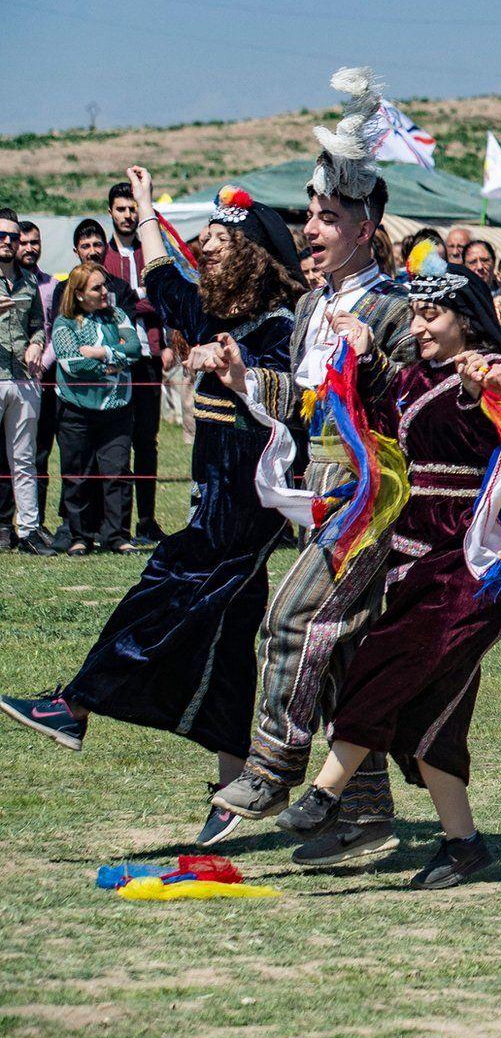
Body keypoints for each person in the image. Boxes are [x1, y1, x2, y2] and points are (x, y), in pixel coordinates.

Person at [0, 169, 301, 845]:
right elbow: (164, 277)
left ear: (254, 254)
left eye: (222, 241)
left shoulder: (281, 326)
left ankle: (74, 703)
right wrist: (144, 211)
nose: (209, 248)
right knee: (227, 636)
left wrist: (239, 374)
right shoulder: (211, 311)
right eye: (209, 239)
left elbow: (299, 400)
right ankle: (238, 784)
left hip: (249, 504)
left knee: (167, 582)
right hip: (212, 495)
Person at [208, 69, 422, 872]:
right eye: (310, 216)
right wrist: (240, 377)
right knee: (335, 651)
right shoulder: (308, 308)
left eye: (328, 218)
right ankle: (364, 816)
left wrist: (377, 368)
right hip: (320, 490)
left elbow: (422, 401)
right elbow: (302, 405)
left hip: (377, 496)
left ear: (367, 229)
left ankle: (271, 768)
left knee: (294, 621)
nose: (310, 229)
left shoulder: (395, 309)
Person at [271, 264, 501, 890]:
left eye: (430, 316)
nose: (417, 327)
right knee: (432, 709)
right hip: (412, 550)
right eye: (413, 315)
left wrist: (493, 383)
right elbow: (381, 400)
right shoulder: (415, 372)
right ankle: (463, 845)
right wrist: (361, 352)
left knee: (386, 660)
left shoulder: (482, 372)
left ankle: (326, 791)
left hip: (469, 560)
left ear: (464, 319)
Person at [51, 267, 144, 556]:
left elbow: (134, 349)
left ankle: (117, 535)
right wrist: (113, 364)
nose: (105, 292)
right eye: (96, 288)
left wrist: (101, 353)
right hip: (76, 410)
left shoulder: (117, 316)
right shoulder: (64, 324)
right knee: (78, 473)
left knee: (116, 471)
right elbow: (71, 364)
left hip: (116, 409)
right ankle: (81, 535)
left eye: (104, 286)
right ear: (79, 294)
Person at [105, 180, 166, 546]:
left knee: (147, 441)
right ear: (110, 211)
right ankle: (116, 525)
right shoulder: (105, 257)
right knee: (117, 440)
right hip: (116, 361)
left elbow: (162, 297)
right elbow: (113, 303)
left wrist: (137, 301)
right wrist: (139, 299)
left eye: (132, 209)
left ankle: (147, 520)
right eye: (121, 210)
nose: (128, 216)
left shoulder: (151, 252)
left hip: (149, 358)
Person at [0, 209, 55, 554]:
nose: (7, 242)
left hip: (22, 378)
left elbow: (38, 323)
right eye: (1, 235)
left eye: (13, 236)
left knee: (24, 459)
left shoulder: (29, 281)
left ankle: (29, 530)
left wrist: (37, 343)